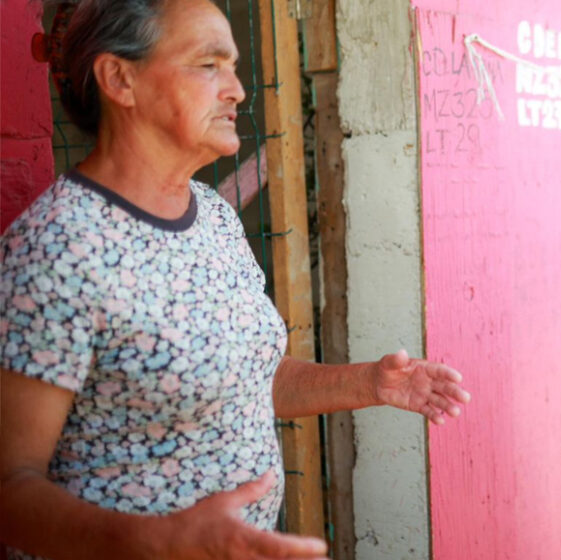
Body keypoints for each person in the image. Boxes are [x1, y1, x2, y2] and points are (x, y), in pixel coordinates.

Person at [0, 1, 471, 558]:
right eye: (208, 65)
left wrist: (370, 384)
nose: (237, 90)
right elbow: (11, 488)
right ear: (120, 79)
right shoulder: (57, 249)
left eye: (234, 66)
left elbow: (245, 383)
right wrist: (155, 542)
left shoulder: (212, 215)